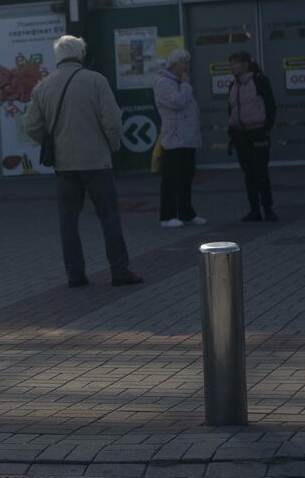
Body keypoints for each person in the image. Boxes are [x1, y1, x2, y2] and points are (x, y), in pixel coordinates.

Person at [20, 34, 142, 288]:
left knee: (68, 220)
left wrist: (51, 139)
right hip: (96, 161)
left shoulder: (44, 86)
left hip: (64, 165)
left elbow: (30, 125)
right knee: (109, 217)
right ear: (81, 54)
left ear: (58, 57)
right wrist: (111, 145)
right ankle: (119, 270)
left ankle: (75, 274)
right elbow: (112, 120)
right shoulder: (96, 81)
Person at [153, 50, 203, 228]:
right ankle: (167, 215)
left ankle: (186, 212)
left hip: (187, 138)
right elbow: (178, 103)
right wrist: (186, 86)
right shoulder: (164, 83)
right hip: (174, 139)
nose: (186, 67)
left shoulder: (177, 82)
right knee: (171, 178)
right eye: (183, 63)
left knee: (186, 177)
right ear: (174, 65)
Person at [226, 51, 277, 222]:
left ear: (246, 64)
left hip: (258, 131)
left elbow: (270, 106)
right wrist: (232, 134)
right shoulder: (232, 85)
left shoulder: (259, 81)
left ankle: (268, 208)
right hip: (241, 133)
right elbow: (231, 110)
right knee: (248, 173)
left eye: (236, 63)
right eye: (231, 64)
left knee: (260, 171)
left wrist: (267, 128)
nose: (232, 67)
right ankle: (254, 209)